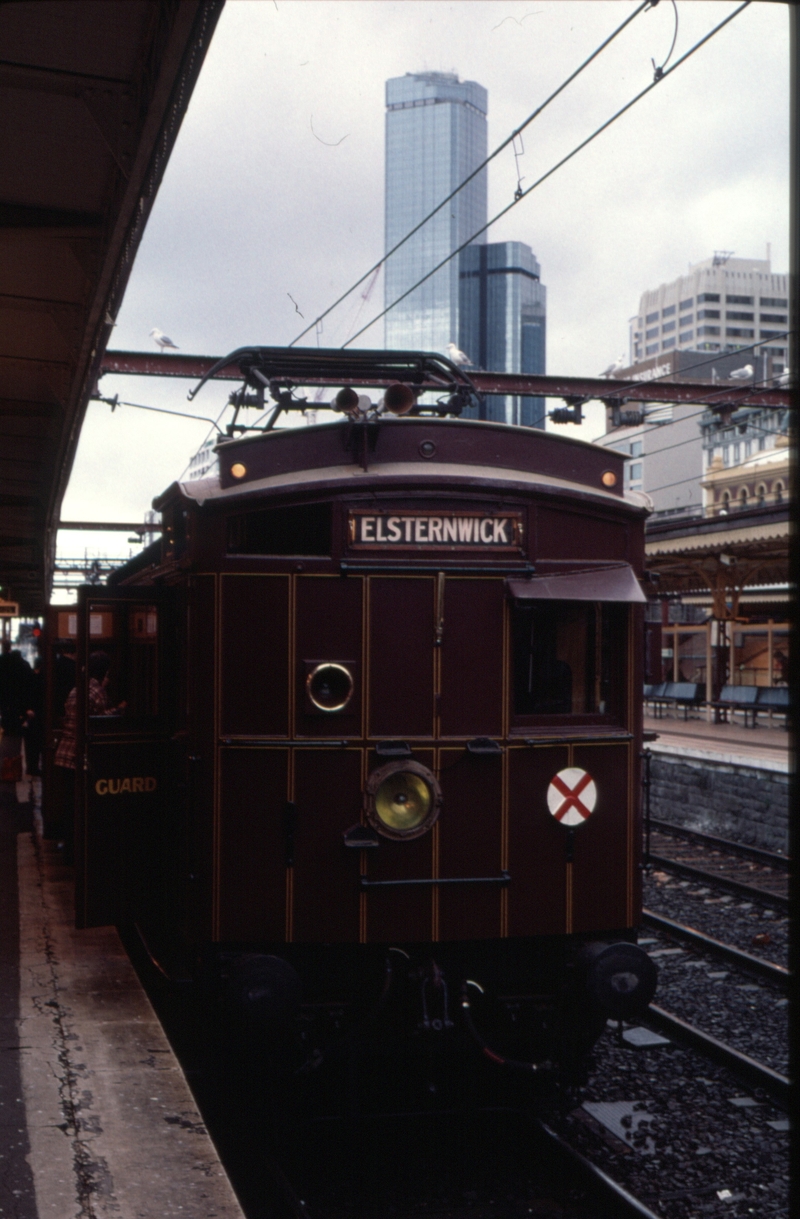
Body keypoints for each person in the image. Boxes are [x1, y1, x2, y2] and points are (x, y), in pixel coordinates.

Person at [52, 651, 125, 864]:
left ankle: (69, 850)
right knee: (84, 807)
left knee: (70, 807)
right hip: (78, 757)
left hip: (64, 754)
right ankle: (80, 853)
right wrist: (119, 709)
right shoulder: (97, 691)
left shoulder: (78, 689)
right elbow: (101, 721)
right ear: (104, 671)